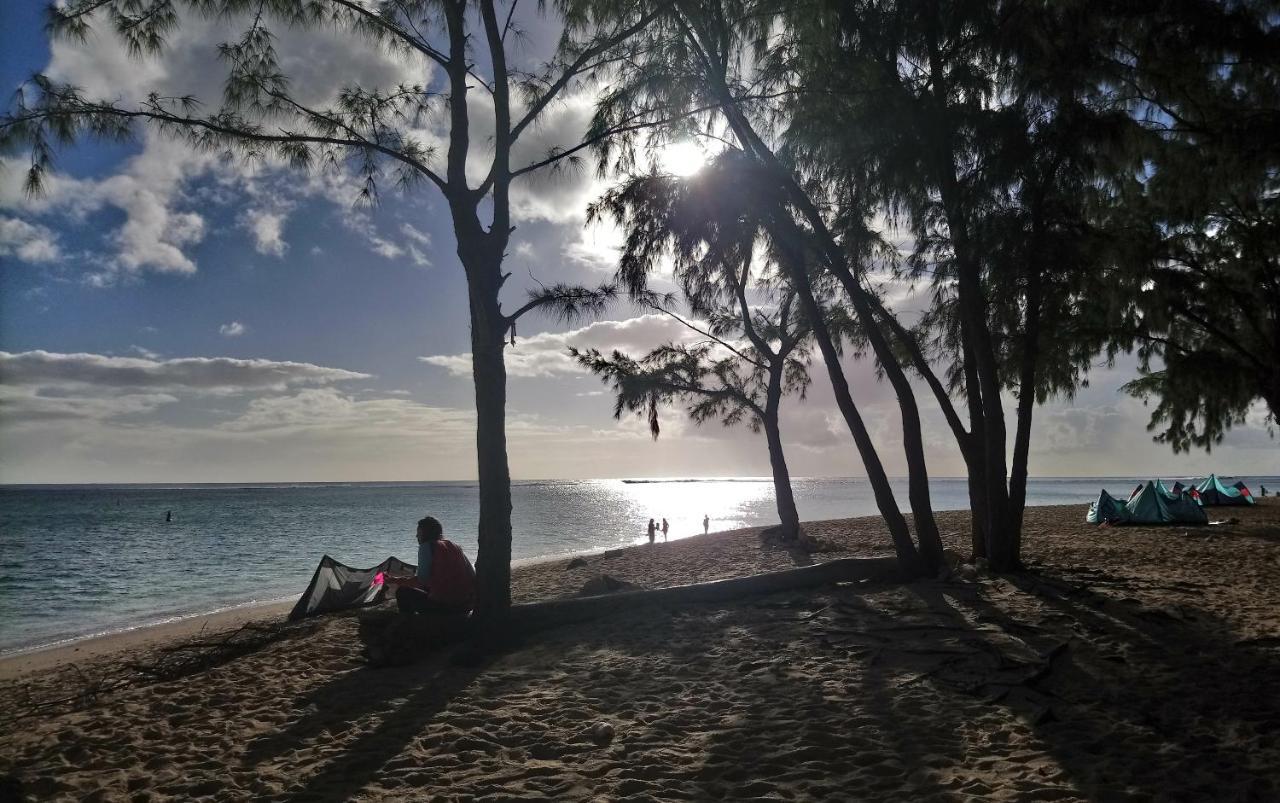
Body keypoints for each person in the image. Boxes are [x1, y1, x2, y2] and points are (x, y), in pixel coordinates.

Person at [391, 516, 476, 615]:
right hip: (465, 606)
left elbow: (422, 580)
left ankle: (409, 623)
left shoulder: (426, 547)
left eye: (418, 533)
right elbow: (471, 575)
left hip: (445, 607)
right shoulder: (455, 547)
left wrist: (397, 581)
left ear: (425, 533)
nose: (416, 536)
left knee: (402, 592)